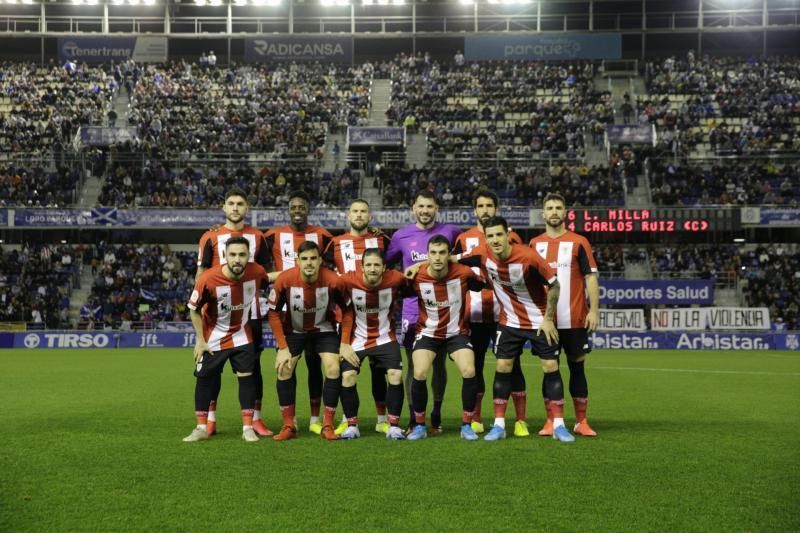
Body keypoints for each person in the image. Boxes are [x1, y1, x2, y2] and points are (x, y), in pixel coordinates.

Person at [457, 216, 575, 442]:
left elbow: (555, 285)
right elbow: (450, 258)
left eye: (499, 235)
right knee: (502, 367)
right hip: (509, 322)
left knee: (551, 366)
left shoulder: (529, 257)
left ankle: (559, 425)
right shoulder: (482, 253)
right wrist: (417, 266)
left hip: (539, 321)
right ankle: (499, 425)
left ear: (507, 234)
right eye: (490, 236)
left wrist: (549, 319)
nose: (495, 240)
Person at [196, 188, 274, 437]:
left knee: (254, 367)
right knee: (212, 368)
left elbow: (265, 273)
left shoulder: (258, 237)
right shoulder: (210, 236)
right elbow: (202, 274)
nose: (236, 208)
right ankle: (209, 418)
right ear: (224, 207)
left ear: (247, 208)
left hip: (249, 313)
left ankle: (256, 420)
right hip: (216, 314)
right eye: (231, 203)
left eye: (241, 203)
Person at [452, 191, 529, 437]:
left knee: (512, 366)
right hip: (472, 315)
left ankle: (520, 420)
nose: (485, 210)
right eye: (480, 206)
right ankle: (476, 418)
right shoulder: (464, 239)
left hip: (503, 314)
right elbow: (452, 268)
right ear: (474, 210)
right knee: (475, 369)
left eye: (489, 206)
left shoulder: (511, 237)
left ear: (496, 209)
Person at [385, 190, 461, 433]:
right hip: (412, 312)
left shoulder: (451, 232)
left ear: (436, 207)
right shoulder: (401, 236)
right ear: (413, 208)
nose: (425, 210)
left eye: (429, 206)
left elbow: (462, 257)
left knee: (439, 365)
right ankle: (413, 417)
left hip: (443, 311)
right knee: (414, 366)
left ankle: (436, 414)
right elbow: (386, 266)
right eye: (421, 206)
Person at [183, 237, 270, 443]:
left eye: (242, 255)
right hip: (214, 337)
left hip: (242, 335)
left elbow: (269, 278)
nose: (237, 259)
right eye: (233, 255)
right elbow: (193, 309)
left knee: (247, 377)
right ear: (225, 256)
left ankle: (247, 428)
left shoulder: (256, 272)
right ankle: (201, 427)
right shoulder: (208, 279)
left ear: (248, 256)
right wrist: (200, 340)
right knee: (204, 378)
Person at [263, 190, 333, 435]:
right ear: (288, 210)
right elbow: (256, 264)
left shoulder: (323, 235)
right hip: (285, 314)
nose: (297, 210)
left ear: (308, 209)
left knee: (316, 366)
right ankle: (289, 422)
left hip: (318, 311)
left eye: (301, 206)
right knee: (287, 366)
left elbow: (334, 267)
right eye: (293, 207)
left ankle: (316, 418)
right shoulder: (272, 236)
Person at [530, 193, 600, 437]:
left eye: (558, 207)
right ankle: (551, 420)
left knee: (577, 368)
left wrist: (594, 310)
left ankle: (581, 421)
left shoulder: (579, 242)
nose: (554, 212)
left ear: (566, 212)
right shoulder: (534, 244)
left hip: (575, 317)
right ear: (543, 213)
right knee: (549, 368)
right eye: (549, 208)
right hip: (545, 321)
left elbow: (590, 277)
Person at [323, 199, 393, 435]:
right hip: (344, 316)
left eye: (364, 211)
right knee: (347, 369)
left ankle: (382, 418)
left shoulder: (381, 240)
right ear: (348, 215)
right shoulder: (335, 243)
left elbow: (392, 267)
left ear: (370, 215)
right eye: (355, 211)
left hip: (375, 315)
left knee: (378, 369)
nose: (359, 214)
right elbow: (323, 270)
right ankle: (347, 418)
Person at [404, 236, 484, 441]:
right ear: (427, 255)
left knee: (469, 370)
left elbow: (483, 270)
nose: (437, 257)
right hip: (428, 333)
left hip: (456, 333)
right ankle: (420, 425)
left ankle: (466, 425)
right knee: (420, 372)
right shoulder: (416, 277)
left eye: (442, 253)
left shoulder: (464, 273)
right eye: (433, 253)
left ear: (449, 255)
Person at [267, 241, 347, 441]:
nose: (309, 263)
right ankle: (288, 425)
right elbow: (273, 313)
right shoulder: (285, 280)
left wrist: (344, 343)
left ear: (320, 260)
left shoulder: (333, 280)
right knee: (284, 368)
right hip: (294, 331)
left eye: (313, 258)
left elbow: (347, 310)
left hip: (323, 330)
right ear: (297, 261)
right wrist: (283, 347)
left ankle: (327, 424)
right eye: (304, 259)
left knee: (333, 368)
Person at [338, 248, 409, 440]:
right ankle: (352, 426)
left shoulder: (396, 279)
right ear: (361, 267)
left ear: (384, 267)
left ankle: (393, 425)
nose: (372, 269)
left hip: (385, 337)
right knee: (347, 375)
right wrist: (343, 343)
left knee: (395, 374)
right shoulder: (347, 280)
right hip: (357, 339)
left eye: (377, 265)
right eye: (368, 265)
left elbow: (411, 280)